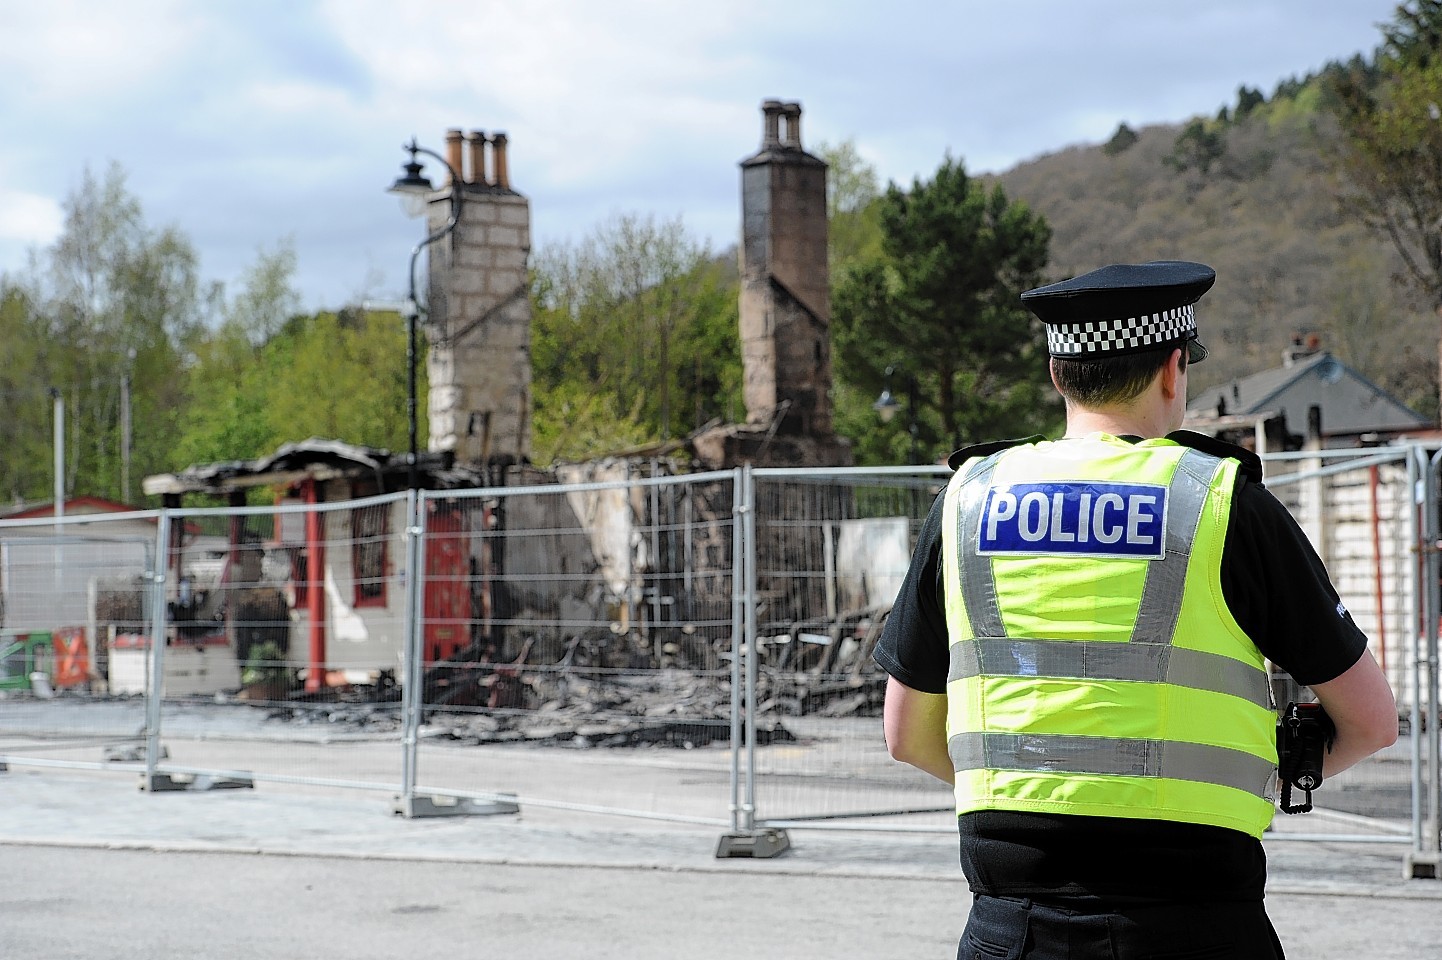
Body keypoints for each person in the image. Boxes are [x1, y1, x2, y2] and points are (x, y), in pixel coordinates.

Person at [874, 261, 1398, 960]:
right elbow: (1371, 720)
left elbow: (907, 734)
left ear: (1059, 375)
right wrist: (1254, 779)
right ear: (1174, 370)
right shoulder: (1220, 503)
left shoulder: (967, 499)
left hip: (1012, 929)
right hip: (1197, 926)